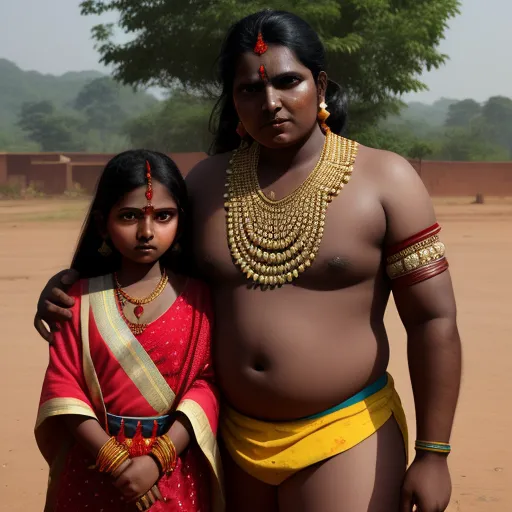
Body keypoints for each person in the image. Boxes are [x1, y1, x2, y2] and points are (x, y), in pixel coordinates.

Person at [34, 10, 462, 512]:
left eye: (288, 82)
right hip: (222, 435)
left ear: (319, 84)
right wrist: (69, 287)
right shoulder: (204, 186)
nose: (271, 103)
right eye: (249, 90)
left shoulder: (386, 180)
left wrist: (433, 454)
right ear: (232, 100)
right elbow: (143, 267)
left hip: (344, 430)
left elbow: (434, 319)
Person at [34, 150, 223, 511]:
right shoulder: (77, 299)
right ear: (103, 225)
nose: (146, 231)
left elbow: (206, 383)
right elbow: (64, 386)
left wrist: (156, 461)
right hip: (95, 469)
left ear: (181, 222)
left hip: (172, 471)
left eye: (162, 216)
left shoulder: (200, 299)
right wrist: (115, 460)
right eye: (129, 216)